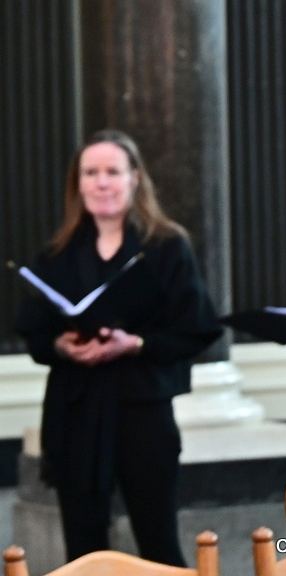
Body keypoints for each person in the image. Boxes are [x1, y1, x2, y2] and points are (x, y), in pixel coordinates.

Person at [14, 129, 223, 564]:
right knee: (83, 548)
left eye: (112, 171)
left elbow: (198, 328)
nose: (102, 182)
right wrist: (62, 345)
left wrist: (136, 343)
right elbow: (34, 333)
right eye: (91, 173)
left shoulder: (165, 247)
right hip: (76, 410)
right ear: (78, 184)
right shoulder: (58, 254)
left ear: (134, 178)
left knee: (158, 542)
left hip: (141, 408)